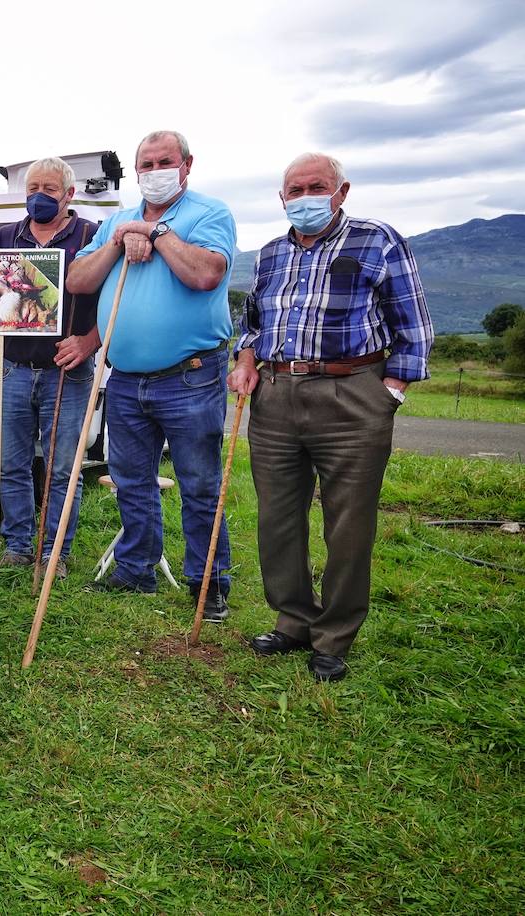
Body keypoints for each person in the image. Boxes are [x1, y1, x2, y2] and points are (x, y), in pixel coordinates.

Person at [230, 153, 433, 682]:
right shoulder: (271, 253)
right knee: (276, 517)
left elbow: (412, 320)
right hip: (275, 394)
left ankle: (335, 634)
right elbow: (254, 322)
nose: (304, 198)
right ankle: (294, 619)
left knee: (348, 523)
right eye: (293, 190)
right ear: (281, 199)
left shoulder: (377, 239)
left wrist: (390, 390)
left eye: (315, 186)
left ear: (341, 190)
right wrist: (245, 360)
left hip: (351, 392)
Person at [68, 130, 235, 620]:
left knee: (199, 482)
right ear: (137, 171)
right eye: (147, 162)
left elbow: (205, 275)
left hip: (190, 376)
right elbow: (77, 281)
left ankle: (209, 582)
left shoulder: (210, 214)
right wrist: (120, 241)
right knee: (130, 479)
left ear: (186, 165)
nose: (155, 169)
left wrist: (159, 236)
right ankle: (136, 567)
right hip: (124, 377)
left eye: (166, 161)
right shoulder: (116, 221)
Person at [0, 158, 100, 576]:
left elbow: (118, 298)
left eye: (50, 189)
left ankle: (55, 552)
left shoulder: (91, 235)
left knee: (62, 468)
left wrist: (90, 341)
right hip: (14, 368)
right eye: (33, 187)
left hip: (67, 372)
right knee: (12, 462)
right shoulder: (3, 237)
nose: (39, 195)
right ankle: (18, 545)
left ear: (69, 194)